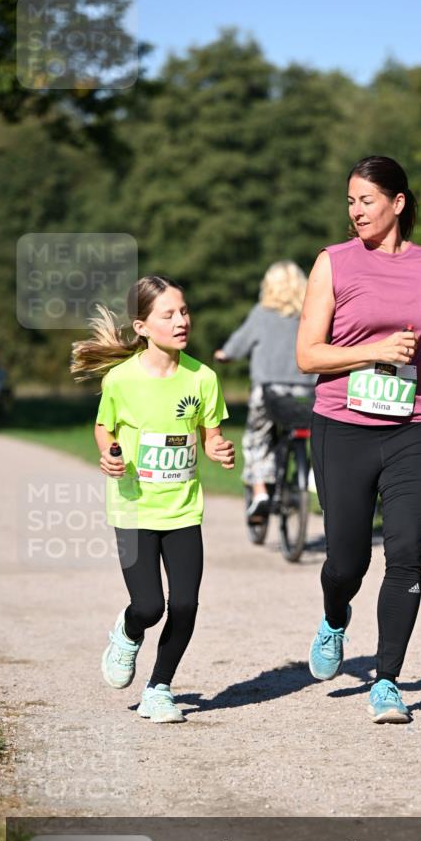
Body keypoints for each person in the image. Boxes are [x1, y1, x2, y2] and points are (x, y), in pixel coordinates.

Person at [297, 155, 421, 725]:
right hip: (342, 425)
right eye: (350, 201)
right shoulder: (333, 263)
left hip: (415, 423)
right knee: (347, 560)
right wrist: (372, 351)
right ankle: (334, 618)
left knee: (407, 555)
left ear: (398, 203)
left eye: (366, 200)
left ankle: (387, 679)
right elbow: (308, 353)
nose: (355, 210)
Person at [70, 275, 235, 723]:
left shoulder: (203, 377)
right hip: (134, 509)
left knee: (184, 605)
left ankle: (159, 687)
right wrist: (108, 454)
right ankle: (127, 632)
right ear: (142, 327)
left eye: (184, 311)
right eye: (169, 315)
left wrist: (218, 448)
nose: (182, 321)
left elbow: (211, 435)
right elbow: (105, 427)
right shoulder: (121, 380)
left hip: (182, 509)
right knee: (149, 606)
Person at [215, 261, 314, 521]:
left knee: (257, 438)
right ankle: (304, 480)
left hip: (269, 391)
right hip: (308, 391)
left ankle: (260, 493)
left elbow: (236, 346)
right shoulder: (310, 314)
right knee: (304, 432)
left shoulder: (262, 313)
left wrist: (224, 355)